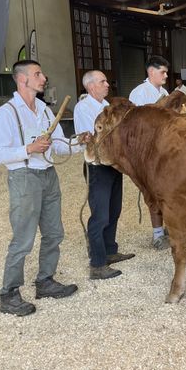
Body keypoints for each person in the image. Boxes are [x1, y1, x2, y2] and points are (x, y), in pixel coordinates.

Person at [0, 60, 80, 316]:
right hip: (24, 177)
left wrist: (82, 142)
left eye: (42, 73)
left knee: (54, 233)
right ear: (22, 79)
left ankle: (45, 281)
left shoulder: (44, 109)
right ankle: (8, 293)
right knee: (23, 239)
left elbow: (60, 145)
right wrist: (28, 149)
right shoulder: (7, 112)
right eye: (37, 74)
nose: (44, 77)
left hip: (49, 174)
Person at [74, 70, 135, 280]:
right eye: (103, 81)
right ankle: (97, 264)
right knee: (100, 215)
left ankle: (110, 250)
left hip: (113, 163)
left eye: (106, 81)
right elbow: (90, 137)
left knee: (114, 209)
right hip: (97, 165)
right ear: (91, 87)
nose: (107, 84)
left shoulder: (106, 106)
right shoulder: (83, 107)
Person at [129, 55, 170, 250]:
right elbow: (135, 126)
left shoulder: (165, 91)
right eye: (163, 72)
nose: (166, 75)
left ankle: (170, 226)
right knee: (152, 193)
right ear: (151, 72)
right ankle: (157, 234)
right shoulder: (138, 93)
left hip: (166, 150)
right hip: (148, 153)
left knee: (169, 191)